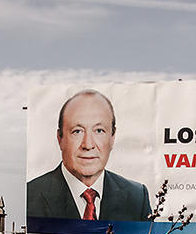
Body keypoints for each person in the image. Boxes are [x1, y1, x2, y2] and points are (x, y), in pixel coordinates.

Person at [27, 89, 151, 221]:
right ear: (60, 138)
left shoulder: (137, 198)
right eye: (77, 131)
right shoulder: (31, 195)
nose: (88, 144)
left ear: (112, 137)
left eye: (99, 130)